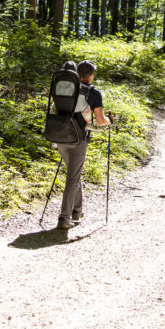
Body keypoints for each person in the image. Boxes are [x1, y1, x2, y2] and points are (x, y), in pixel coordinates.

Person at [56, 59, 110, 230]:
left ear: (77, 74)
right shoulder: (93, 93)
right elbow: (100, 121)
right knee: (72, 178)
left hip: (60, 135)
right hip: (77, 139)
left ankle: (76, 211)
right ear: (91, 76)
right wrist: (110, 120)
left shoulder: (64, 87)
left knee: (74, 175)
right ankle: (64, 218)